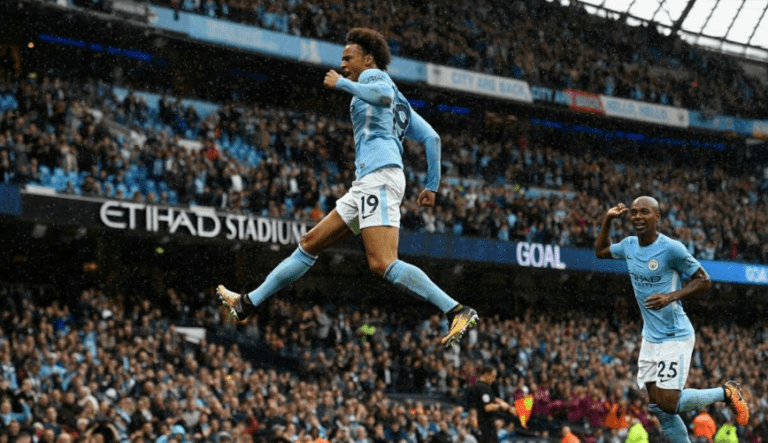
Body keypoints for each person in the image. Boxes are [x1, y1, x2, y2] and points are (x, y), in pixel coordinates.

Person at [217, 27, 477, 348]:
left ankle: (456, 309)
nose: (342, 64)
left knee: (382, 262)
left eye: (348, 57)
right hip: (369, 182)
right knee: (309, 243)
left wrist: (342, 84)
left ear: (368, 59)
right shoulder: (402, 103)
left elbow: (382, 97)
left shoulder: (373, 77)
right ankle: (247, 303)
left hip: (378, 177)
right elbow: (432, 138)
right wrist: (432, 186)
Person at [594, 197, 749, 443]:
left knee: (668, 403)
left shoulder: (671, 249)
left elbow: (703, 280)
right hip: (650, 337)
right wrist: (608, 219)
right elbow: (601, 252)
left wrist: (670, 296)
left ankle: (726, 392)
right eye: (634, 212)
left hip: (675, 334)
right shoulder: (629, 245)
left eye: (644, 212)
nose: (637, 217)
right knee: (659, 408)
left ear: (657, 216)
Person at [465, 366, 516, 443]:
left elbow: (493, 398)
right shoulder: (483, 387)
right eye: (492, 376)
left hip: (486, 423)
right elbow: (487, 407)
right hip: (484, 423)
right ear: (486, 374)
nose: (494, 379)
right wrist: (501, 407)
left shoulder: (481, 386)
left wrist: (508, 406)